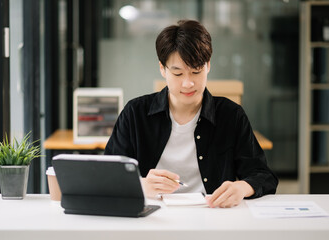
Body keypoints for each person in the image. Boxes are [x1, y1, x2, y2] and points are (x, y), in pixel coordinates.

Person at [104, 19, 278, 208]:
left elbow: (263, 175)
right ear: (162, 69)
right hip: (151, 216)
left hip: (212, 215)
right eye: (178, 74)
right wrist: (142, 184)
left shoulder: (231, 115)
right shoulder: (135, 113)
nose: (188, 83)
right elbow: (108, 175)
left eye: (196, 71)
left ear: (208, 66)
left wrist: (242, 188)